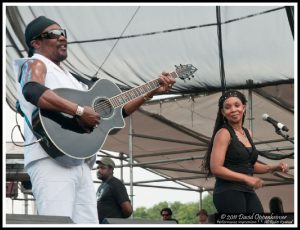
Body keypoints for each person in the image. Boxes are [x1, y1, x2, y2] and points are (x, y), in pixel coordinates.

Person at [14, 16, 176, 224]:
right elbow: (33, 90)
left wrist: (151, 91)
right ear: (36, 43)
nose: (62, 38)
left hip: (80, 161)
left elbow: (117, 112)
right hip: (50, 158)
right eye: (54, 34)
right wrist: (80, 111)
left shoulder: (73, 78)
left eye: (64, 33)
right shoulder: (36, 63)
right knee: (56, 221)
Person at [204, 90, 289, 214]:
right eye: (228, 107)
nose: (233, 109)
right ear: (223, 112)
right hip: (228, 191)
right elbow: (216, 168)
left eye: (237, 105)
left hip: (247, 190)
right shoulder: (223, 133)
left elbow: (249, 165)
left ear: (243, 108)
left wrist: (274, 167)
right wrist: (246, 178)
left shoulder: (248, 133)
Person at [96, 157, 133, 223]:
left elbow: (128, 210)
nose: (99, 170)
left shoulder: (116, 184)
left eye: (102, 168)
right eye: (98, 168)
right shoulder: (102, 185)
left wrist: (116, 220)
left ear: (110, 169)